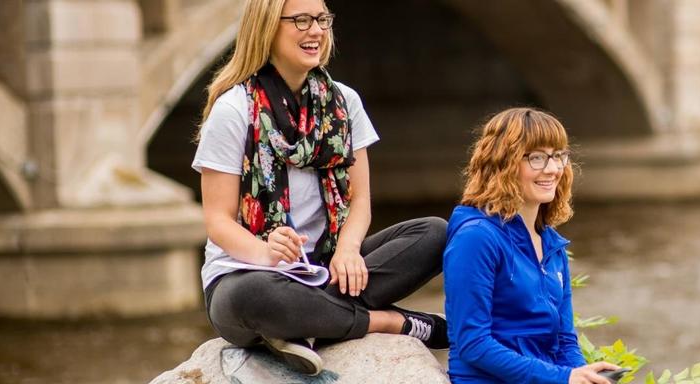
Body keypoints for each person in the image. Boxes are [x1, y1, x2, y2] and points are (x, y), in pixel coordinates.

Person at [192, 0, 448, 376]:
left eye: (322, 19)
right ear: (266, 27)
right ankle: (391, 321)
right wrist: (266, 252)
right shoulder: (233, 110)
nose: (316, 30)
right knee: (255, 297)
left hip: (325, 266)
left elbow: (360, 200)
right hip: (250, 273)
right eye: (301, 20)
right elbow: (218, 221)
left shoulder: (345, 102)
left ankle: (306, 323)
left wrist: (348, 250)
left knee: (435, 233)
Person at [443, 108, 621, 384]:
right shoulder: (476, 238)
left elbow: (564, 340)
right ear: (502, 162)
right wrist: (563, 377)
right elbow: (473, 344)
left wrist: (583, 376)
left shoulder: (552, 245)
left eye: (558, 155)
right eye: (536, 157)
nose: (553, 169)